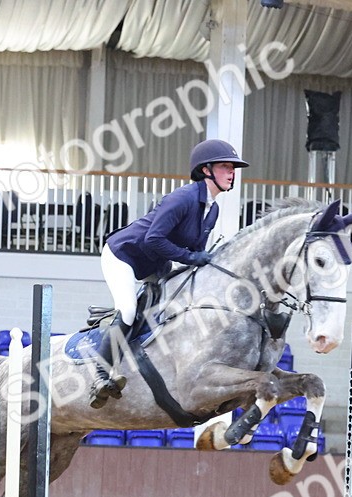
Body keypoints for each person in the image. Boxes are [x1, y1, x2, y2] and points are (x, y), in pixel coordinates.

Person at [89, 138, 249, 408]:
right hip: (124, 255)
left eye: (233, 168)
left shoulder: (213, 209)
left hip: (156, 263)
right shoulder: (182, 199)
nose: (232, 172)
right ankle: (100, 375)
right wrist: (191, 257)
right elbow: (153, 239)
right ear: (206, 170)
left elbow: (195, 252)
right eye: (225, 166)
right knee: (128, 310)